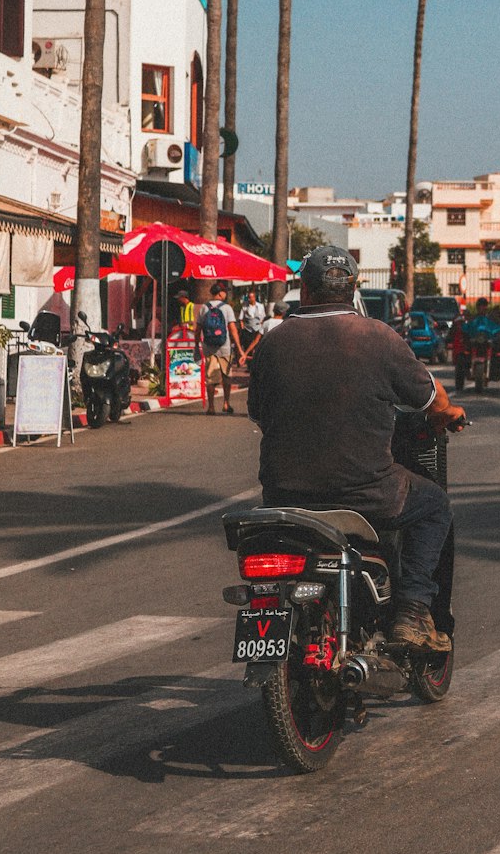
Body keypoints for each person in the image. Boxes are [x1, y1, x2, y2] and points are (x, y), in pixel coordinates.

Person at [248, 245, 467, 652]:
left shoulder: (272, 344)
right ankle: (413, 612)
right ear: (352, 291)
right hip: (366, 495)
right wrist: (450, 410)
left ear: (304, 290)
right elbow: (431, 400)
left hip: (283, 496)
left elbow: (259, 415)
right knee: (434, 506)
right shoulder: (378, 337)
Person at [195, 282, 242, 415]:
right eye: (224, 292)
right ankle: (226, 403)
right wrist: (239, 347)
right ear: (220, 293)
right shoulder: (227, 308)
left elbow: (198, 329)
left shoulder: (204, 308)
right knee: (226, 376)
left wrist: (196, 345)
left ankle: (211, 407)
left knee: (210, 378)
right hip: (224, 347)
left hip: (209, 347)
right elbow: (232, 329)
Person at [238, 303, 286, 367]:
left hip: (267, 353)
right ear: (284, 313)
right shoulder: (285, 323)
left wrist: (245, 354)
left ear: (274, 310)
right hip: (280, 355)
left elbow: (256, 340)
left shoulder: (266, 323)